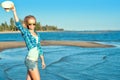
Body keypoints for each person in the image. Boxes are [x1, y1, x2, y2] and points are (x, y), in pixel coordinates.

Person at [9, 4, 46, 80]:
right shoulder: (26, 33)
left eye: (34, 24)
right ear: (27, 25)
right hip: (31, 61)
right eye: (30, 24)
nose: (32, 25)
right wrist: (14, 11)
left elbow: (39, 48)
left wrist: (42, 61)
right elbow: (18, 24)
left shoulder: (37, 34)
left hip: (35, 61)